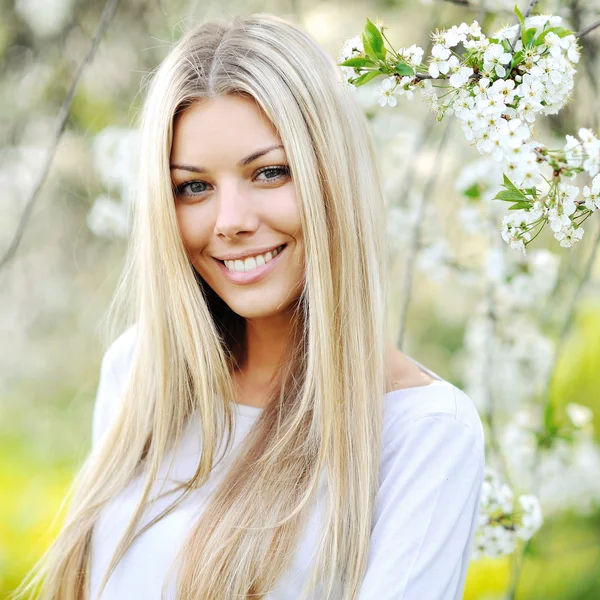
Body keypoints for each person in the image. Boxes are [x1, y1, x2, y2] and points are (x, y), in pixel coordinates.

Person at [13, 13, 485, 600]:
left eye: (269, 173)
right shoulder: (139, 373)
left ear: (331, 178)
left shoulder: (425, 433)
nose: (230, 221)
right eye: (194, 187)